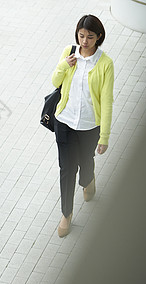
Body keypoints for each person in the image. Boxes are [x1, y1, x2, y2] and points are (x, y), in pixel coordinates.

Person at [51, 15, 114, 237]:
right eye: (81, 35)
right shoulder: (69, 52)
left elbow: (106, 100)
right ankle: (66, 214)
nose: (84, 41)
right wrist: (63, 65)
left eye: (90, 36)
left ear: (99, 37)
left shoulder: (105, 63)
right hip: (65, 122)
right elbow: (55, 82)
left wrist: (104, 135)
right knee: (67, 168)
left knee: (86, 161)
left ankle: (88, 180)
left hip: (89, 126)